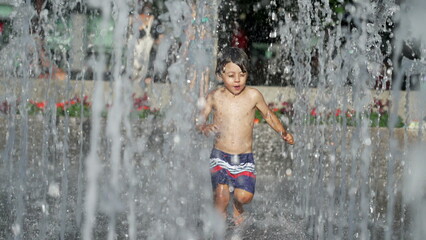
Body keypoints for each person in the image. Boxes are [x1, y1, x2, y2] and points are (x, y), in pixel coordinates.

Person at [196, 47, 294, 226]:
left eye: (242, 74)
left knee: (245, 196)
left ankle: (237, 204)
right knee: (220, 199)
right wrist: (205, 127)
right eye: (231, 75)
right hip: (220, 156)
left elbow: (268, 115)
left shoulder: (253, 95)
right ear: (220, 74)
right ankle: (219, 229)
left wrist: (283, 132)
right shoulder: (214, 96)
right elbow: (198, 122)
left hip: (244, 158)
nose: (237, 80)